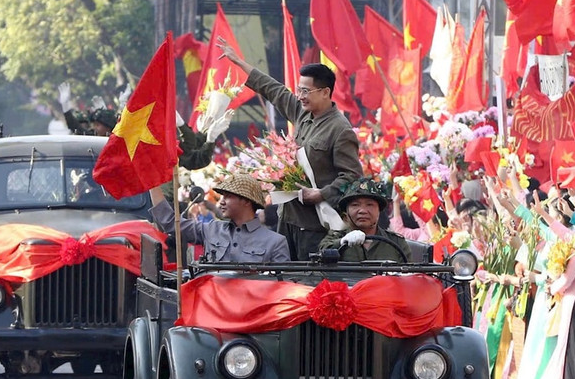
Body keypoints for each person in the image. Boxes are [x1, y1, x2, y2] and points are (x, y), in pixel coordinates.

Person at [220, 45, 362, 259]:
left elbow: (352, 176)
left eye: (306, 91)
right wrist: (241, 63)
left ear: (325, 92)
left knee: (306, 282)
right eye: (299, 90)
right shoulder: (303, 114)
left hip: (315, 226)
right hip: (287, 219)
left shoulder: (340, 130)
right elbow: (274, 90)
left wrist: (321, 193)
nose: (300, 96)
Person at [149, 174, 289, 264]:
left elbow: (281, 290)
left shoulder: (275, 243)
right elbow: (170, 223)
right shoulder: (211, 229)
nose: (221, 201)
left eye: (228, 197)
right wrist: (151, 181)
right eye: (221, 196)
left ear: (247, 201)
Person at [319, 178, 422, 263]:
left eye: (370, 205)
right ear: (346, 212)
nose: (363, 211)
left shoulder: (396, 243)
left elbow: (409, 277)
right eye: (355, 205)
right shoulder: (336, 238)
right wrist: (342, 242)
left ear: (379, 211)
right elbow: (322, 254)